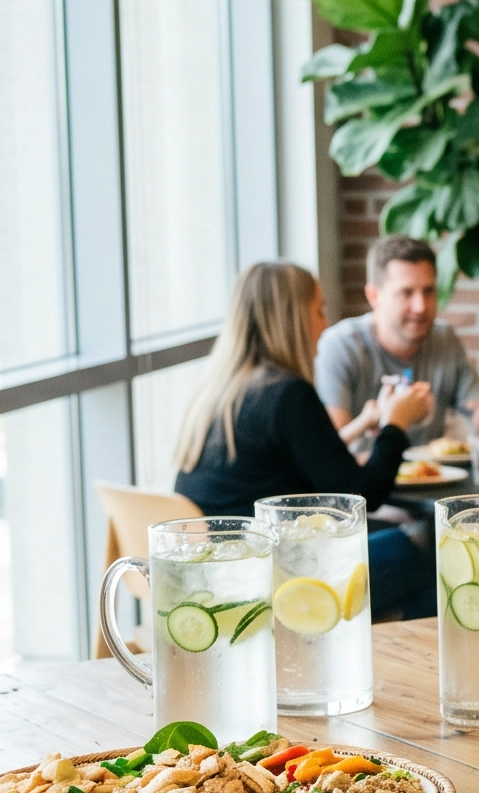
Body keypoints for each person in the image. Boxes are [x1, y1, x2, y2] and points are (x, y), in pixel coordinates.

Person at [171, 261, 437, 620]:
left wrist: (361, 425)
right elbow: (363, 496)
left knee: (395, 547)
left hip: (210, 580)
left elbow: (292, 461)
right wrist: (396, 425)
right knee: (430, 544)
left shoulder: (224, 388)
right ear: (292, 318)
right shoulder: (288, 395)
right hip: (271, 587)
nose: (324, 325)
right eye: (319, 310)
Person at [317, 235, 479, 452]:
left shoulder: (444, 339)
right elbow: (332, 446)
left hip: (432, 479)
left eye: (428, 291)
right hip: (364, 482)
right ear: (374, 296)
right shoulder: (341, 346)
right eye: (406, 293)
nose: (420, 306)